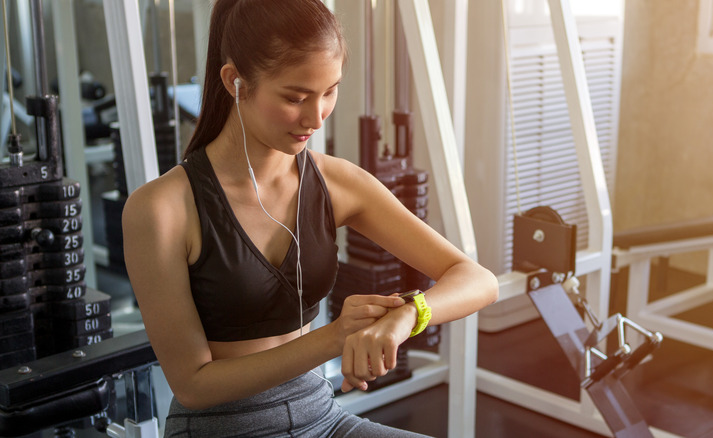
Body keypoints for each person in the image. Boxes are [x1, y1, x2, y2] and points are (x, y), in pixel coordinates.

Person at [122, 0, 498, 436]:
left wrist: (406, 317)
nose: (316, 117)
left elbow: (477, 279)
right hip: (223, 428)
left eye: (330, 92)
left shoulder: (336, 182)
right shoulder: (162, 209)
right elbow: (192, 385)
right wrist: (337, 336)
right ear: (234, 81)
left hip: (322, 415)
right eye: (295, 97)